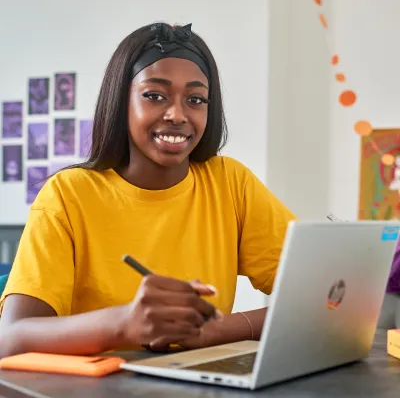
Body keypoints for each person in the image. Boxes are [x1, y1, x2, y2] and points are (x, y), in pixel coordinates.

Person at [0, 22, 295, 357]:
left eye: (196, 99)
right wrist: (124, 323)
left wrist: (217, 330)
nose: (177, 114)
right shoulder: (67, 195)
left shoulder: (230, 183)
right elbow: (11, 339)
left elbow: (322, 300)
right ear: (121, 101)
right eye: (155, 96)